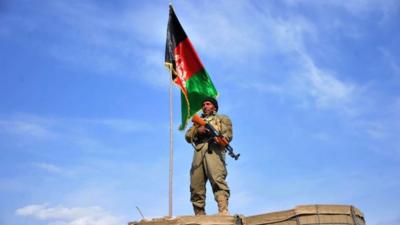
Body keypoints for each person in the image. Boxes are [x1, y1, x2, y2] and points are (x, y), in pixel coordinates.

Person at [185, 97, 233, 216]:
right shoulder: (197, 122)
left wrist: (219, 136)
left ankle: (223, 210)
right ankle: (199, 214)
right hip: (199, 152)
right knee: (196, 185)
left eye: (208, 104)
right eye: (204, 105)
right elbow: (187, 136)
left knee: (217, 180)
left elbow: (228, 134)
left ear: (214, 107)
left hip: (214, 150)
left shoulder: (222, 118)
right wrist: (198, 130)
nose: (205, 106)